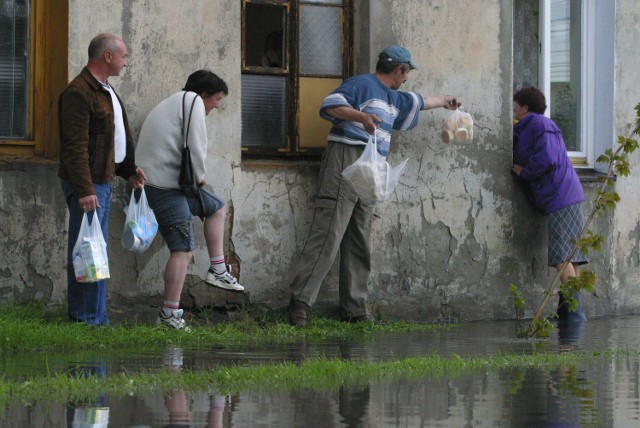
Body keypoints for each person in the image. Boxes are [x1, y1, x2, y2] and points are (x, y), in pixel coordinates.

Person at [287, 45, 460, 326]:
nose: (407, 78)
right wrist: (362, 117)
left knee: (360, 235)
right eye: (406, 73)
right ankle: (300, 303)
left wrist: (445, 101)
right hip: (346, 155)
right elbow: (330, 105)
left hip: (373, 168)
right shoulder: (361, 84)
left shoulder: (394, 99)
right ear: (398, 70)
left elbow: (420, 100)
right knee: (329, 229)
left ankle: (354, 309)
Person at [135, 70, 243, 331]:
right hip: (163, 187)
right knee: (182, 249)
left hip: (167, 183)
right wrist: (200, 176)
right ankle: (169, 314)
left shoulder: (175, 102)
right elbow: (196, 144)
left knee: (215, 206)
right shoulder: (192, 101)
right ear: (203, 94)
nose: (215, 107)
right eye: (216, 100)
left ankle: (217, 269)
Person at [59, 33, 146, 326]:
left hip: (104, 180)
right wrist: (84, 189)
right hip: (90, 184)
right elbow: (75, 147)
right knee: (88, 248)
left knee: (98, 250)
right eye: (123, 56)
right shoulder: (78, 92)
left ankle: (97, 317)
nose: (126, 62)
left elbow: (111, 141)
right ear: (107, 56)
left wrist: (129, 171)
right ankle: (85, 319)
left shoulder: (106, 90)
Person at [511, 86, 588, 322]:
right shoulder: (530, 126)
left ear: (525, 106)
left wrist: (524, 171)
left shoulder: (539, 124)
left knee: (561, 257)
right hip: (568, 193)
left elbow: (547, 157)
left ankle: (575, 314)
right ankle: (567, 311)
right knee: (571, 257)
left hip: (560, 196)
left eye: (515, 105)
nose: (513, 109)